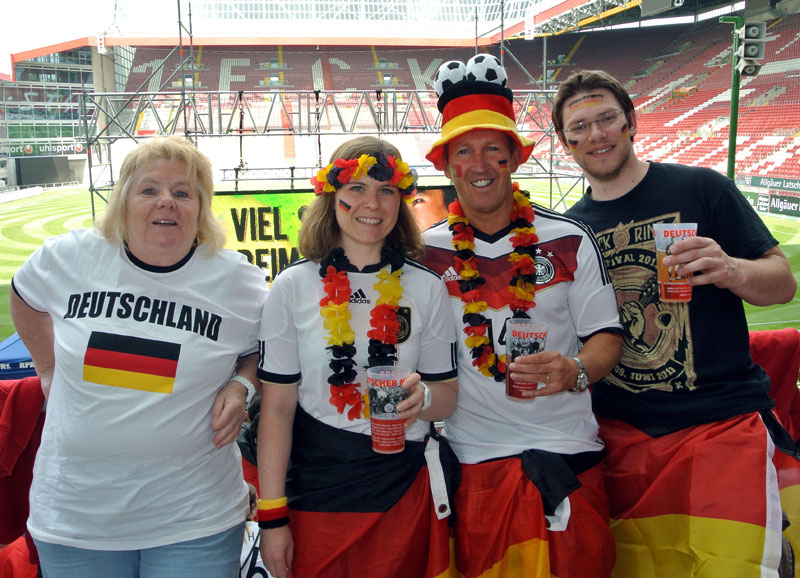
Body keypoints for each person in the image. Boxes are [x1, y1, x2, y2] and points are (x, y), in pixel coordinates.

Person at [556, 69, 799, 577]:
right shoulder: (569, 231)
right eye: (580, 127)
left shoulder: (702, 187)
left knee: (736, 567)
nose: (596, 134)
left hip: (719, 426)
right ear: (566, 143)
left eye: (607, 118)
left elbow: (781, 282)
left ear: (631, 123)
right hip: (621, 438)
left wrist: (732, 269)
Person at [9, 136, 268, 577]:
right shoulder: (70, 257)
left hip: (195, 520)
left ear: (201, 207)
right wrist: (47, 368)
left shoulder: (238, 282)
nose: (166, 201)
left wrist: (242, 383)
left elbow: (264, 351)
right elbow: (25, 297)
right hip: (77, 519)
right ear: (123, 200)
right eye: (149, 190)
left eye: (182, 192)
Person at [422, 56, 623, 578]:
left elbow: (605, 337)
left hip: (570, 452)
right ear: (447, 165)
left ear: (514, 156)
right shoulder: (423, 253)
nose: (480, 163)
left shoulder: (569, 238)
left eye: (493, 147)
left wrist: (574, 370)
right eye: (464, 151)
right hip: (474, 460)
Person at [256, 136, 459, 578]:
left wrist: (422, 397)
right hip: (317, 492)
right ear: (332, 195)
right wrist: (273, 517)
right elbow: (276, 410)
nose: (373, 203)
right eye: (357, 188)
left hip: (402, 490)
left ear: (400, 200)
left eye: (386, 190)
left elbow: (447, 396)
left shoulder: (426, 287)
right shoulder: (292, 285)